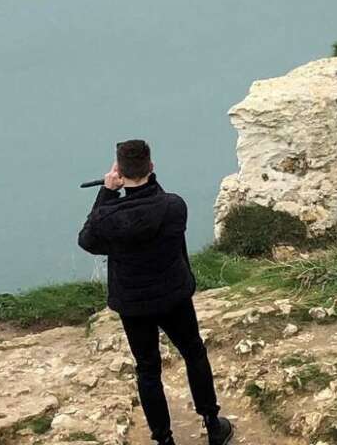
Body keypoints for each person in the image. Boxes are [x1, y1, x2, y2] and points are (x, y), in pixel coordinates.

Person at [78, 139, 234, 445]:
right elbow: (155, 203)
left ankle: (164, 440)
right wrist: (145, 182)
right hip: (174, 296)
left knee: (148, 370)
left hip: (134, 305)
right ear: (151, 168)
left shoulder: (109, 217)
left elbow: (87, 240)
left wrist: (107, 192)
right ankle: (213, 425)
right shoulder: (174, 206)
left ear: (119, 171)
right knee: (193, 353)